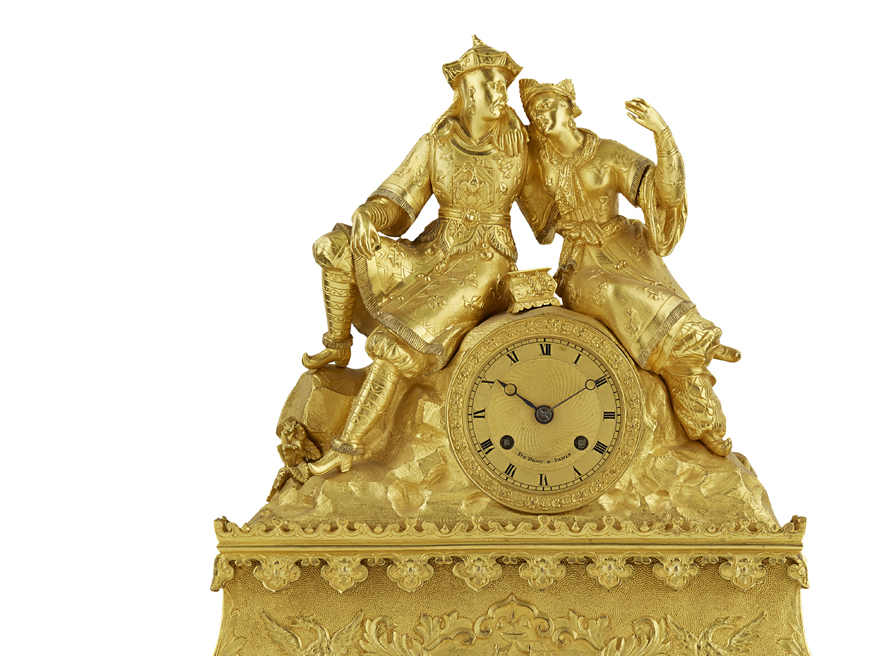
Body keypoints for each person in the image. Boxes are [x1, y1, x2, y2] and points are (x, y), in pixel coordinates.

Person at [306, 38, 529, 476]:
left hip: (485, 265)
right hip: (433, 252)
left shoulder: (519, 145)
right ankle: (337, 345)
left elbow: (556, 205)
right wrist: (369, 214)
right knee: (334, 248)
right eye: (491, 86)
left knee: (395, 345)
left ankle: (348, 446)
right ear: (466, 93)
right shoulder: (436, 144)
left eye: (503, 86)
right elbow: (399, 203)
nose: (501, 94)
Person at [517, 79, 739, 456]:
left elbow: (664, 193)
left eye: (550, 104)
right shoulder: (537, 164)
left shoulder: (607, 153)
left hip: (629, 254)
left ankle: (706, 421)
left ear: (572, 109)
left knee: (674, 341)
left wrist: (661, 134)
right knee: (610, 291)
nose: (541, 113)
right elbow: (540, 224)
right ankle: (695, 344)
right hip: (581, 266)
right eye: (535, 110)